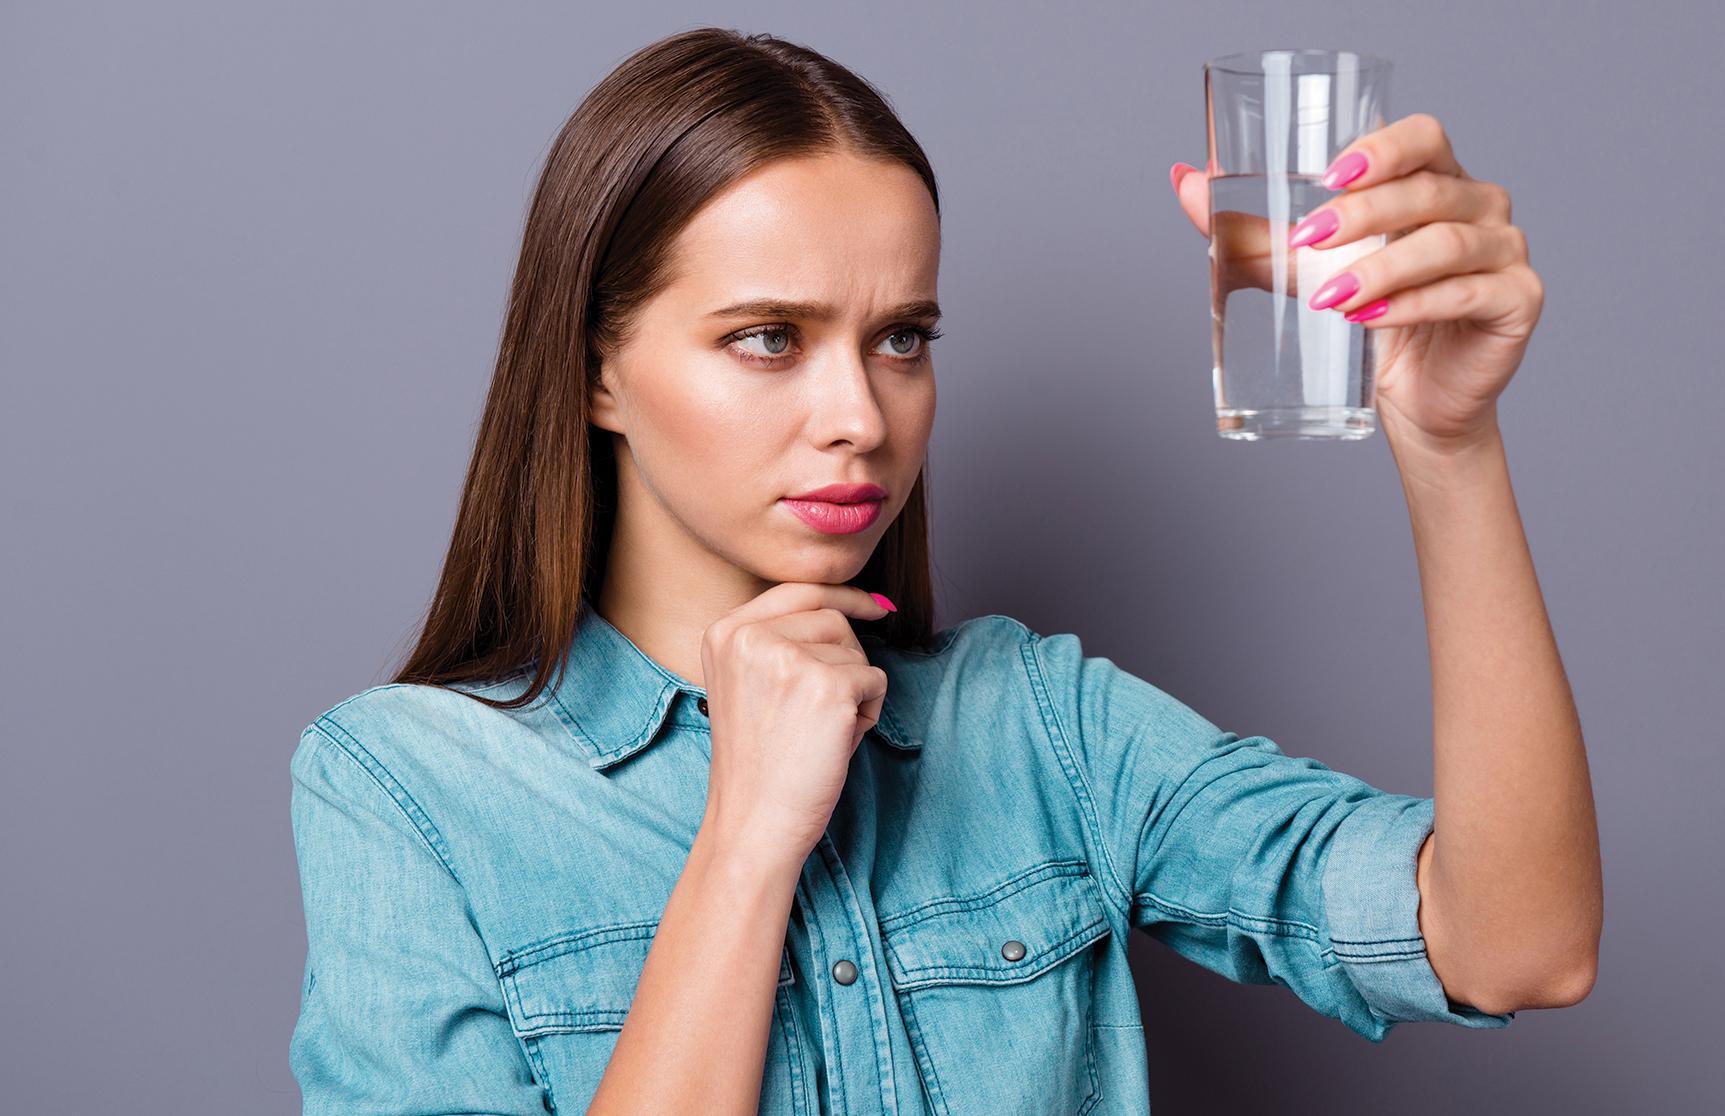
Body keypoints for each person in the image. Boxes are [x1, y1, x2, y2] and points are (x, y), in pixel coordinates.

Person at [287, 25, 1600, 1116]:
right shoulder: (408, 789)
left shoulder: (1034, 723)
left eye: (902, 336)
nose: (860, 412)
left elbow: (1515, 946)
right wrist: (746, 844)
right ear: (595, 369)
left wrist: (1451, 444)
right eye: (766, 338)